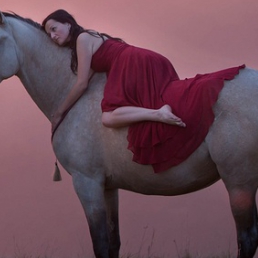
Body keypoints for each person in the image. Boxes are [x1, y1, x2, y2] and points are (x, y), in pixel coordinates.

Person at [42, 9, 244, 173]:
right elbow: (90, 76)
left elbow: (82, 83)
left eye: (54, 28)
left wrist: (60, 111)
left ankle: (158, 114)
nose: (53, 35)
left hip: (129, 63)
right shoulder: (90, 36)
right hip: (145, 58)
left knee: (108, 117)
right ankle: (159, 111)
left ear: (68, 23)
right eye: (49, 34)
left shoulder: (82, 39)